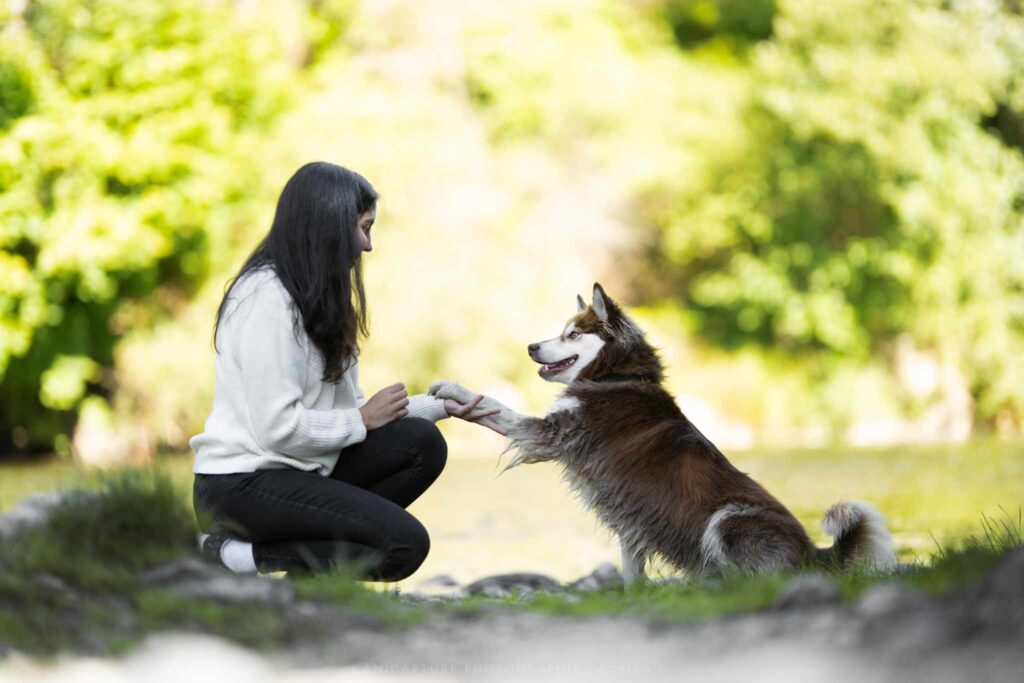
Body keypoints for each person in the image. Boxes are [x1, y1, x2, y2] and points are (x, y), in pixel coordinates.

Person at [189, 161, 500, 580]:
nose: (367, 246)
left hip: (299, 470)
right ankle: (239, 555)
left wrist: (443, 406)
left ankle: (307, 582)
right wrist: (361, 419)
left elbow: (357, 418)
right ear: (329, 226)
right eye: (364, 227)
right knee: (404, 545)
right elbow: (277, 429)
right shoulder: (265, 298)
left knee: (421, 443)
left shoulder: (320, 300)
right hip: (240, 485)